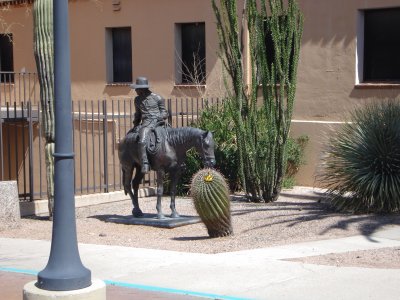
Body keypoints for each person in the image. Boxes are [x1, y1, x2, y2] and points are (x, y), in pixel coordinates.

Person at [131, 77, 169, 174]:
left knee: (174, 138)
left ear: (142, 89)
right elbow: (138, 115)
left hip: (159, 122)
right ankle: (145, 163)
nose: (135, 90)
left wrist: (159, 117)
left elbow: (164, 112)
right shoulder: (137, 100)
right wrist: (135, 126)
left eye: (137, 88)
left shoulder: (157, 98)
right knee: (142, 141)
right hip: (147, 124)